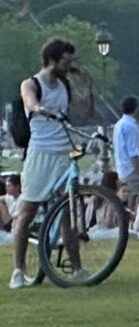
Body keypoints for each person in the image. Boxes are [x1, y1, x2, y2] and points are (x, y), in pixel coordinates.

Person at [11, 38, 80, 291]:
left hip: (63, 152)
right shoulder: (33, 83)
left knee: (68, 210)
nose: (69, 65)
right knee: (27, 210)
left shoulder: (65, 85)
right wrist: (39, 108)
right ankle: (18, 271)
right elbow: (29, 100)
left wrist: (87, 84)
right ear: (52, 60)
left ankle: (77, 267)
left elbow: (84, 109)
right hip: (41, 152)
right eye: (66, 61)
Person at [113, 96, 139, 202]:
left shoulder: (118, 124)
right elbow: (133, 151)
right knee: (136, 199)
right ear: (136, 109)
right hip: (131, 169)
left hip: (121, 168)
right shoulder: (131, 126)